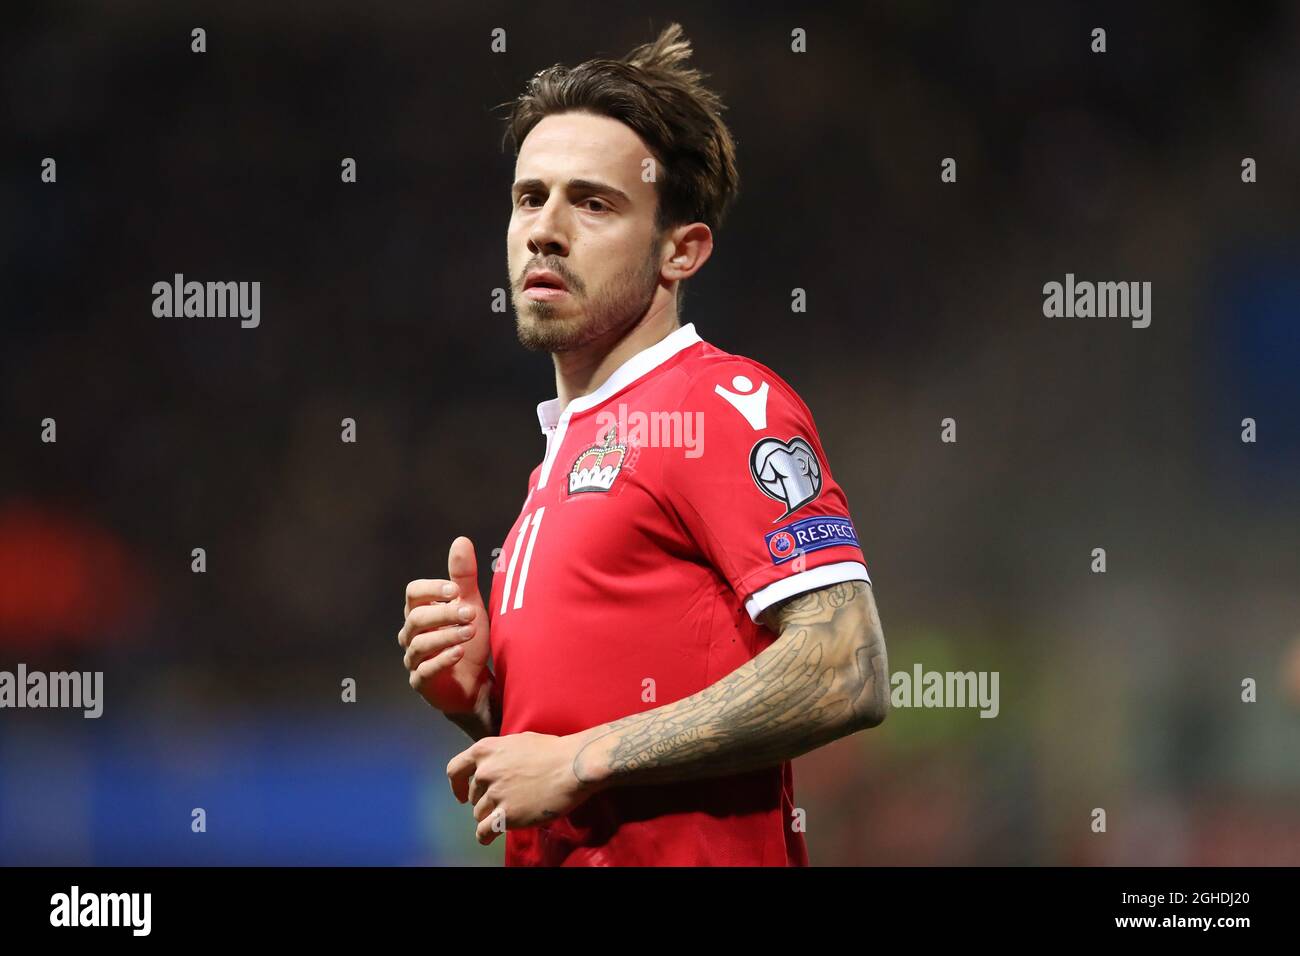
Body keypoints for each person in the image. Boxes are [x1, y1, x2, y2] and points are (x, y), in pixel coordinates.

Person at [398, 23, 889, 866]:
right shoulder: (558, 465)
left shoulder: (720, 405)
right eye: (529, 198)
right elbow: (563, 771)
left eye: (592, 203)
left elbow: (848, 666)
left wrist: (581, 758)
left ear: (680, 251)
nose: (545, 230)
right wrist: (481, 697)